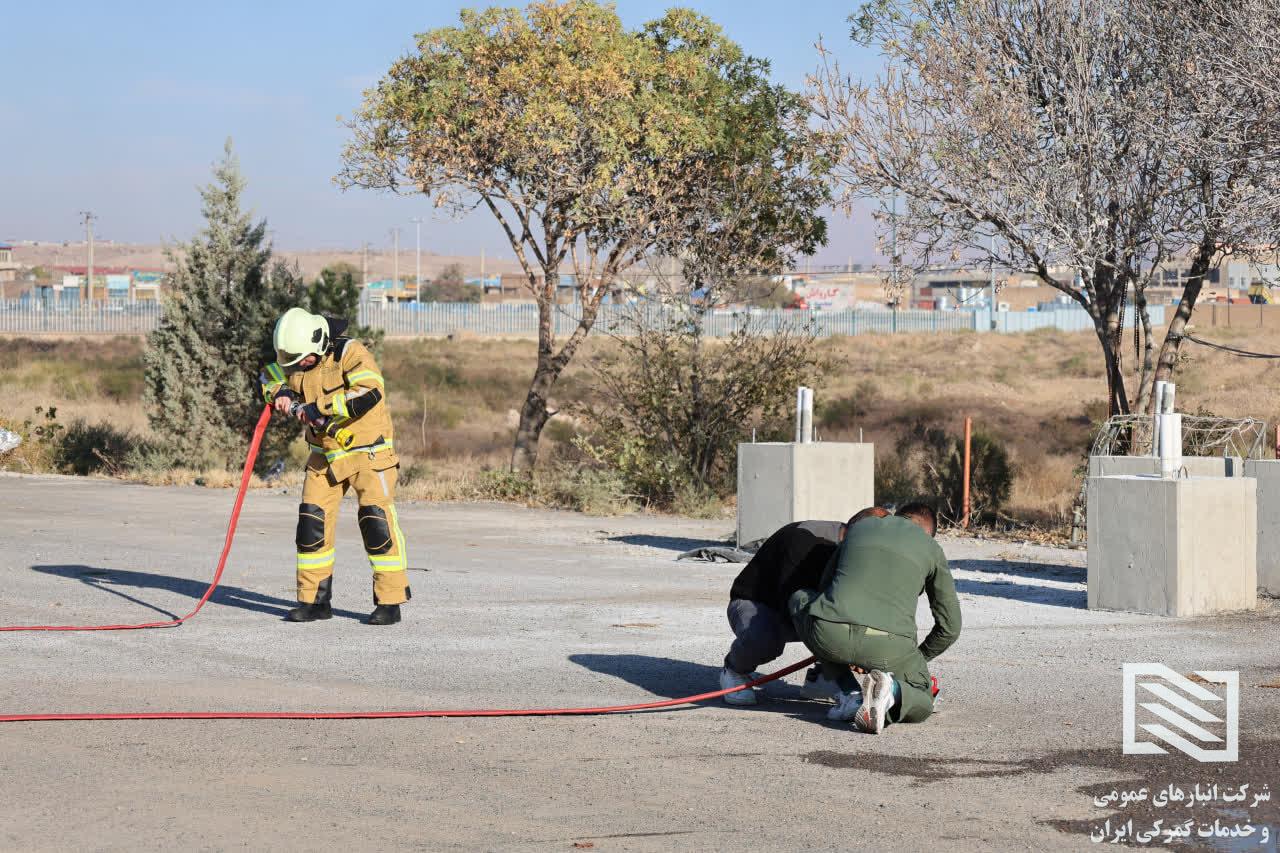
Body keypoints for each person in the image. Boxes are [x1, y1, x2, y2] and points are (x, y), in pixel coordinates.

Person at [259, 307, 411, 626]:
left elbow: (369, 392)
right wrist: (282, 391)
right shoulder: (294, 356)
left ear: (319, 344)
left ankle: (390, 600)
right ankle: (314, 601)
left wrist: (320, 407)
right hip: (324, 455)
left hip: (368, 453)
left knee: (376, 523)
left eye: (301, 361)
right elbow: (268, 373)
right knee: (311, 525)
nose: (295, 366)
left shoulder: (350, 352)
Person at [789, 502, 960, 734]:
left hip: (830, 635)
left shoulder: (860, 528)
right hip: (890, 650)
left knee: (799, 599)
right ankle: (893, 692)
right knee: (923, 698)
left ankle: (849, 694)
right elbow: (950, 627)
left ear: (898, 516)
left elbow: (825, 588)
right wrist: (916, 660)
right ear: (928, 532)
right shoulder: (931, 548)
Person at [719, 507, 890, 706]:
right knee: (764, 640)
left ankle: (821, 679)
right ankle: (734, 670)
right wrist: (842, 653)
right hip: (760, 605)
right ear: (861, 532)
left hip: (804, 608)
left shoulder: (858, 551)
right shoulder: (805, 539)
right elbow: (795, 606)